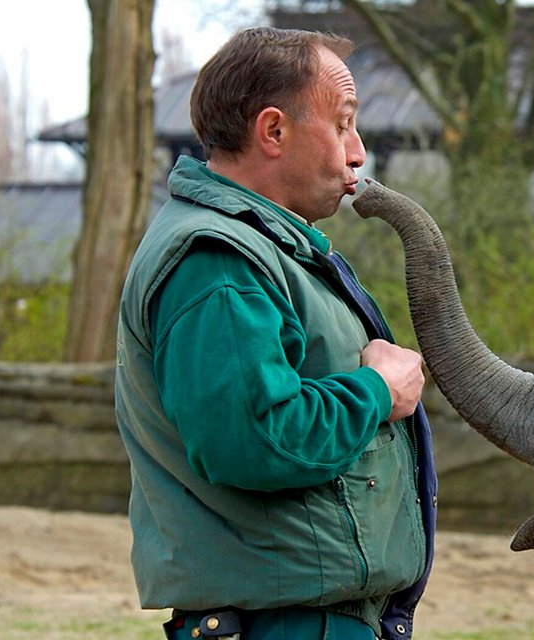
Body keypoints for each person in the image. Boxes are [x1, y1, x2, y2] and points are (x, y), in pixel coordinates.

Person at [114, 27, 437, 640]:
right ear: (274, 131)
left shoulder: (266, 251)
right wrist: (375, 391)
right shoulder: (218, 262)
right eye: (343, 123)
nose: (358, 152)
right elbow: (255, 438)